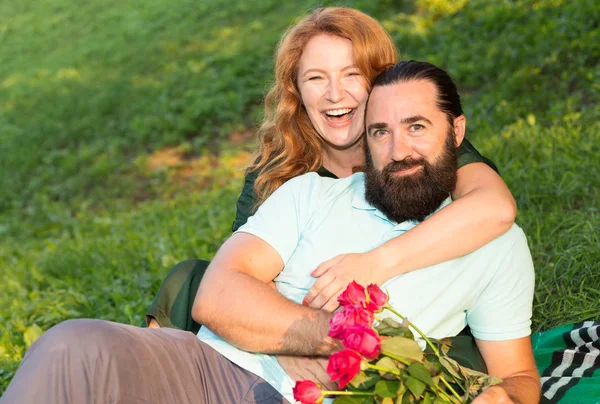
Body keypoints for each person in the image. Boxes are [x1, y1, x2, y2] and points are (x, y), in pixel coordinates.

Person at [0, 61, 539, 404]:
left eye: (416, 127)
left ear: (457, 131)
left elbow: (517, 375)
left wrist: (505, 400)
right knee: (70, 346)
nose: (398, 150)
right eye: (380, 131)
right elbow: (217, 292)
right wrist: (334, 339)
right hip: (214, 371)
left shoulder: (494, 245)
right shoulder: (310, 193)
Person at [144, 6, 516, 332]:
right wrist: (297, 345)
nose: (334, 95)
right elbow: (248, 277)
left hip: (419, 310)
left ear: (379, 81)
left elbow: (495, 207)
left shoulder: (414, 144)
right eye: (316, 78)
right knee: (191, 279)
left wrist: (377, 264)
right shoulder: (277, 171)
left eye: (352, 74)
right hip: (308, 314)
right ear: (296, 92)